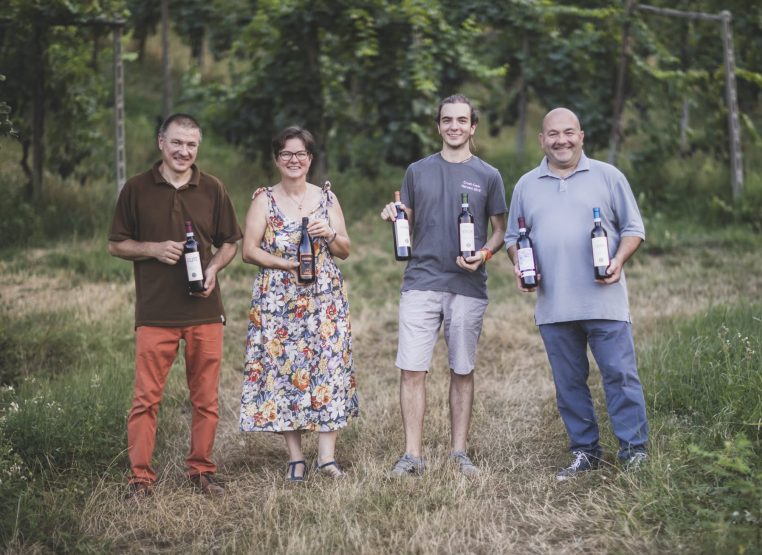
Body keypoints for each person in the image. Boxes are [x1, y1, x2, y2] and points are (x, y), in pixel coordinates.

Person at [504, 107, 649, 480]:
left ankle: (634, 450)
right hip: (553, 305)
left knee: (619, 375)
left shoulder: (608, 176)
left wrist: (617, 260)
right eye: (553, 134)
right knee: (569, 384)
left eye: (569, 133)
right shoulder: (526, 184)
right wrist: (521, 266)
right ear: (542, 140)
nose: (561, 140)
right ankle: (586, 452)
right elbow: (511, 239)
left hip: (605, 301)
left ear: (581, 136)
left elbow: (634, 229)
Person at [109, 113, 242, 497]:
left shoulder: (213, 188)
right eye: (177, 143)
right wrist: (151, 248)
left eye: (192, 145)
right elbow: (116, 244)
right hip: (155, 312)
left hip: (204, 311)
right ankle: (140, 479)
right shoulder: (135, 189)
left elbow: (229, 242)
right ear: (161, 143)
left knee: (205, 398)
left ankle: (201, 470)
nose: (184, 151)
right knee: (146, 399)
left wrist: (214, 268)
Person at [380, 94, 507, 476]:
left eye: (462, 120)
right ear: (438, 126)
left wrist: (483, 255)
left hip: (467, 286)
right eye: (447, 120)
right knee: (412, 369)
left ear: (473, 127)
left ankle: (458, 453)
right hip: (420, 281)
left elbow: (500, 231)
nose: (454, 126)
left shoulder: (489, 175)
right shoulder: (417, 171)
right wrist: (394, 215)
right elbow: (409, 217)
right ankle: (412, 455)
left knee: (462, 369)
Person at [239, 126, 358, 482]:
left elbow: (346, 251)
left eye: (300, 154)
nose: (294, 160)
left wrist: (331, 234)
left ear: (310, 159)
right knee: (282, 371)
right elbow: (249, 251)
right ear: (277, 159)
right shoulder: (264, 199)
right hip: (278, 299)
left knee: (329, 366)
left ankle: (326, 457)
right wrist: (284, 264)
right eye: (286, 154)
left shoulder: (326, 198)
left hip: (324, 299)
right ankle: (295, 458)